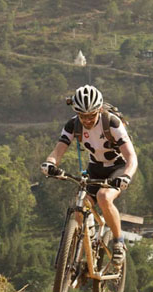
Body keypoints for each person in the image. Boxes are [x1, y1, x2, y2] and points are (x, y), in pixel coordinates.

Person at [40, 85, 138, 265]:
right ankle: (87, 246)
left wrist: (126, 177)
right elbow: (58, 151)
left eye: (91, 115)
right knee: (81, 204)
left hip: (118, 168)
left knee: (103, 196)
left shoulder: (112, 123)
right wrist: (50, 164)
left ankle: (118, 242)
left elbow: (131, 157)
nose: (86, 120)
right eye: (82, 115)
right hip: (95, 168)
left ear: (99, 109)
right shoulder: (72, 125)